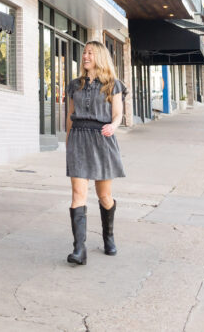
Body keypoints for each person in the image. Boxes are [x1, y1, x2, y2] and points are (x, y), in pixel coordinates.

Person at [65, 40, 125, 266]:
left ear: (99, 56)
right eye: (84, 53)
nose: (85, 56)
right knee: (78, 194)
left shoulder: (113, 84)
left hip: (102, 138)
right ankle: (79, 249)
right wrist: (69, 143)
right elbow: (70, 116)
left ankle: (108, 236)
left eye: (90, 53)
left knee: (104, 196)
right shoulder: (74, 85)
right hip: (79, 138)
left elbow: (118, 114)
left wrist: (114, 126)